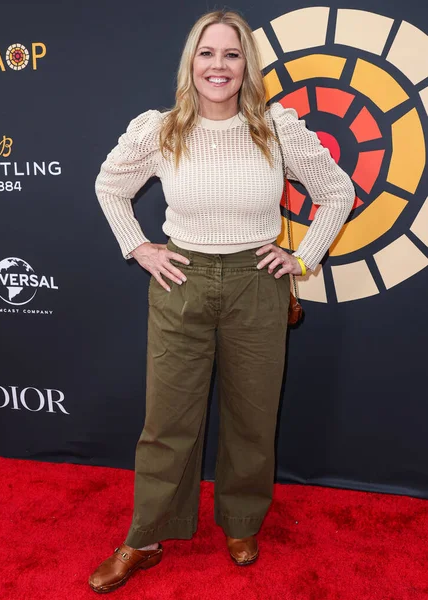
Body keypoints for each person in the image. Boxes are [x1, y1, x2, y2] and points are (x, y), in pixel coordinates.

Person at [89, 8, 355, 594]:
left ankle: (240, 523)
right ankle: (147, 536)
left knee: (253, 417)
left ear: (246, 66)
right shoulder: (162, 129)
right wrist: (140, 248)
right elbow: (110, 186)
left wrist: (302, 256)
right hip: (180, 281)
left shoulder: (277, 128)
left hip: (256, 283)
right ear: (191, 63)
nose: (218, 65)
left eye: (231, 55)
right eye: (207, 53)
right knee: (166, 422)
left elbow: (338, 191)